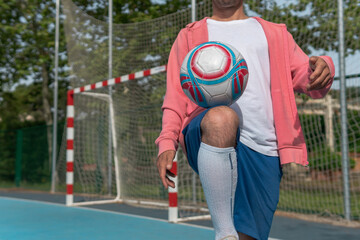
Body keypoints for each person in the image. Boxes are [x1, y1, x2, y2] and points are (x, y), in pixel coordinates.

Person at [155, 0, 335, 239]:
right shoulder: (190, 35)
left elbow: (306, 76)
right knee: (222, 117)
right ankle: (224, 233)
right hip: (208, 133)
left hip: (264, 146)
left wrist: (324, 67)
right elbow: (176, 94)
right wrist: (167, 141)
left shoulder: (275, 33)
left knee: (249, 236)